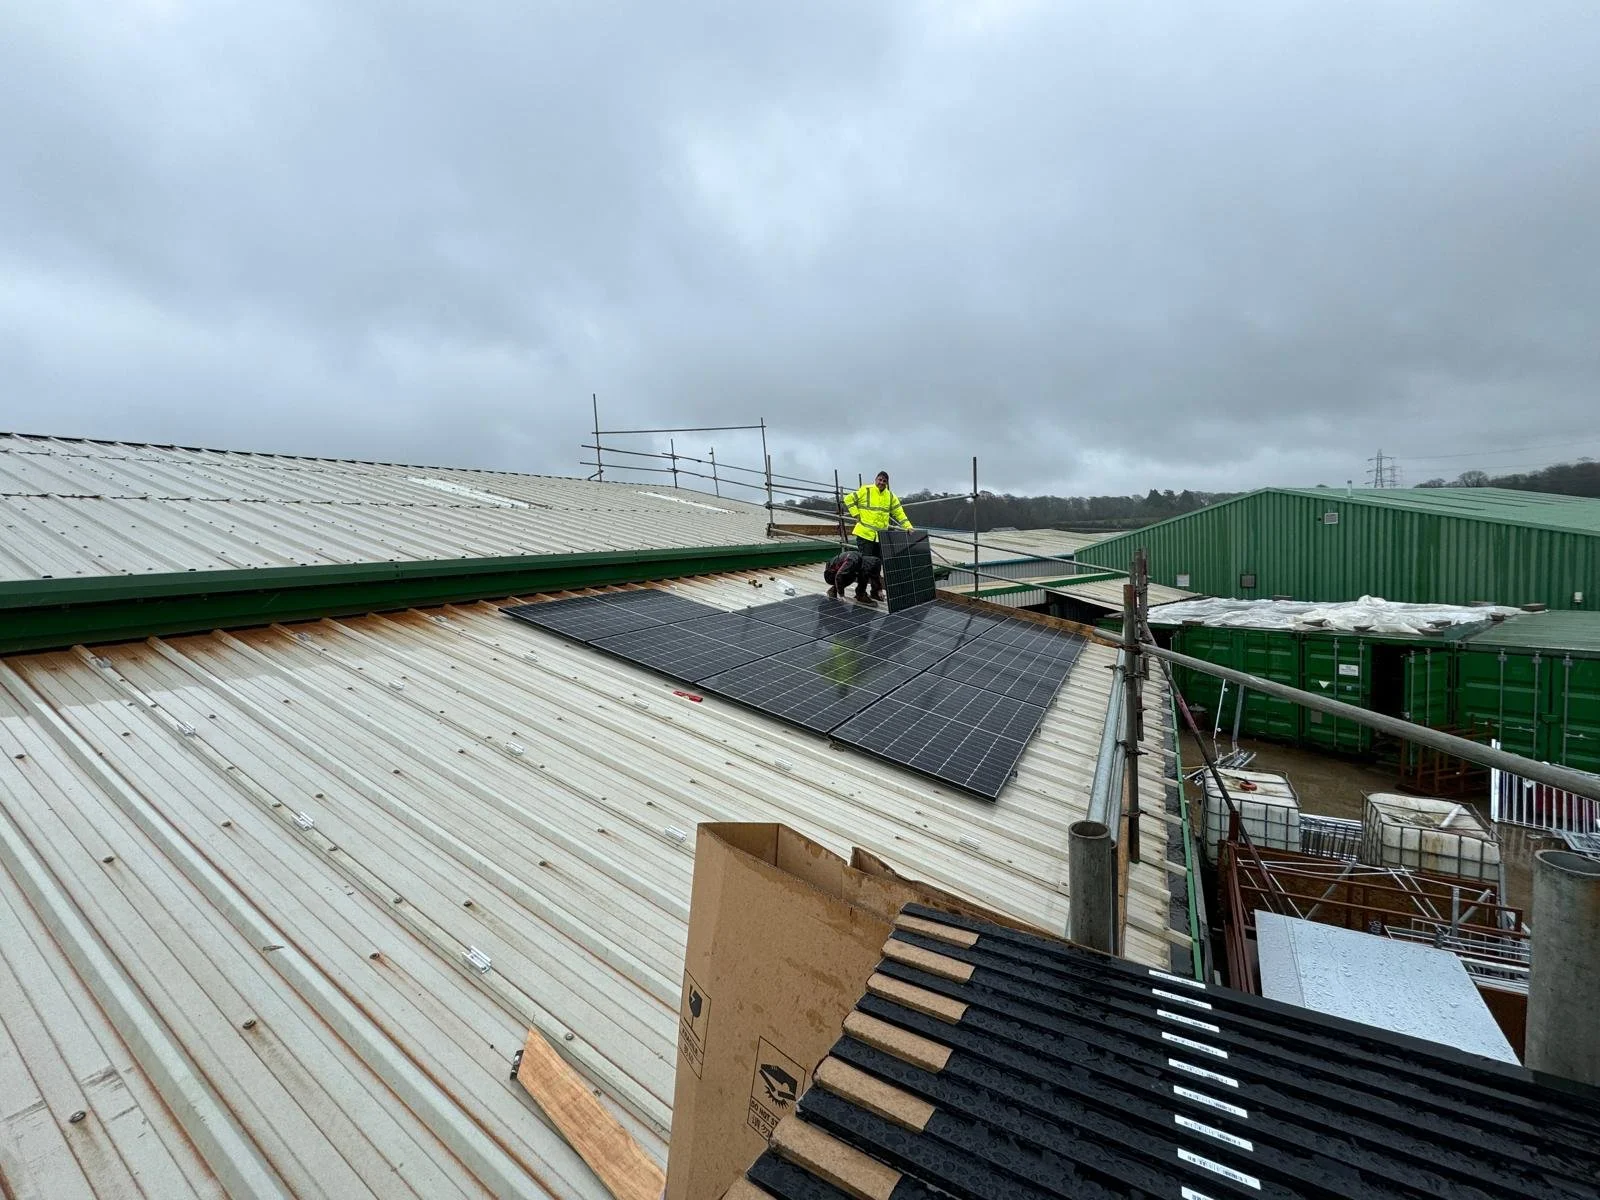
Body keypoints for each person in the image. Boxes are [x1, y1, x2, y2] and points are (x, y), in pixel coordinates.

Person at [843, 470, 912, 600]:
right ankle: (860, 593)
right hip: (865, 535)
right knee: (865, 565)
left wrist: (908, 526)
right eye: (879, 480)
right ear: (876, 480)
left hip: (880, 537)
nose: (881, 482)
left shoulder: (890, 496)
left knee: (876, 565)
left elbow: (899, 512)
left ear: (887, 483)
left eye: (884, 481)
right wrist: (856, 514)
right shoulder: (866, 490)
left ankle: (875, 591)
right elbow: (848, 499)